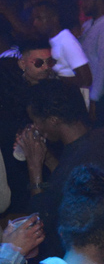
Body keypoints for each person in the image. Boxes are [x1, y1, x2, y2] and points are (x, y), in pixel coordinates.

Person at [20, 80, 104, 261]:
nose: (35, 127)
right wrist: (47, 157)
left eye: (35, 121)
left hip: (79, 261)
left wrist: (34, 167)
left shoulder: (81, 159)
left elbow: (42, 223)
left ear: (53, 120)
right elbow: (71, 179)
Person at [0, 38, 54, 214]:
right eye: (39, 63)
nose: (45, 67)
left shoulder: (54, 89)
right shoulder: (12, 90)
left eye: (49, 62)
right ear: (22, 64)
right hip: (20, 159)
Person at [32, 0, 92, 92]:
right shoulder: (51, 40)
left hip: (72, 97)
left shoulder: (66, 41)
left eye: (39, 18)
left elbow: (86, 79)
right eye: (34, 19)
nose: (35, 23)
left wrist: (56, 78)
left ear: (54, 18)